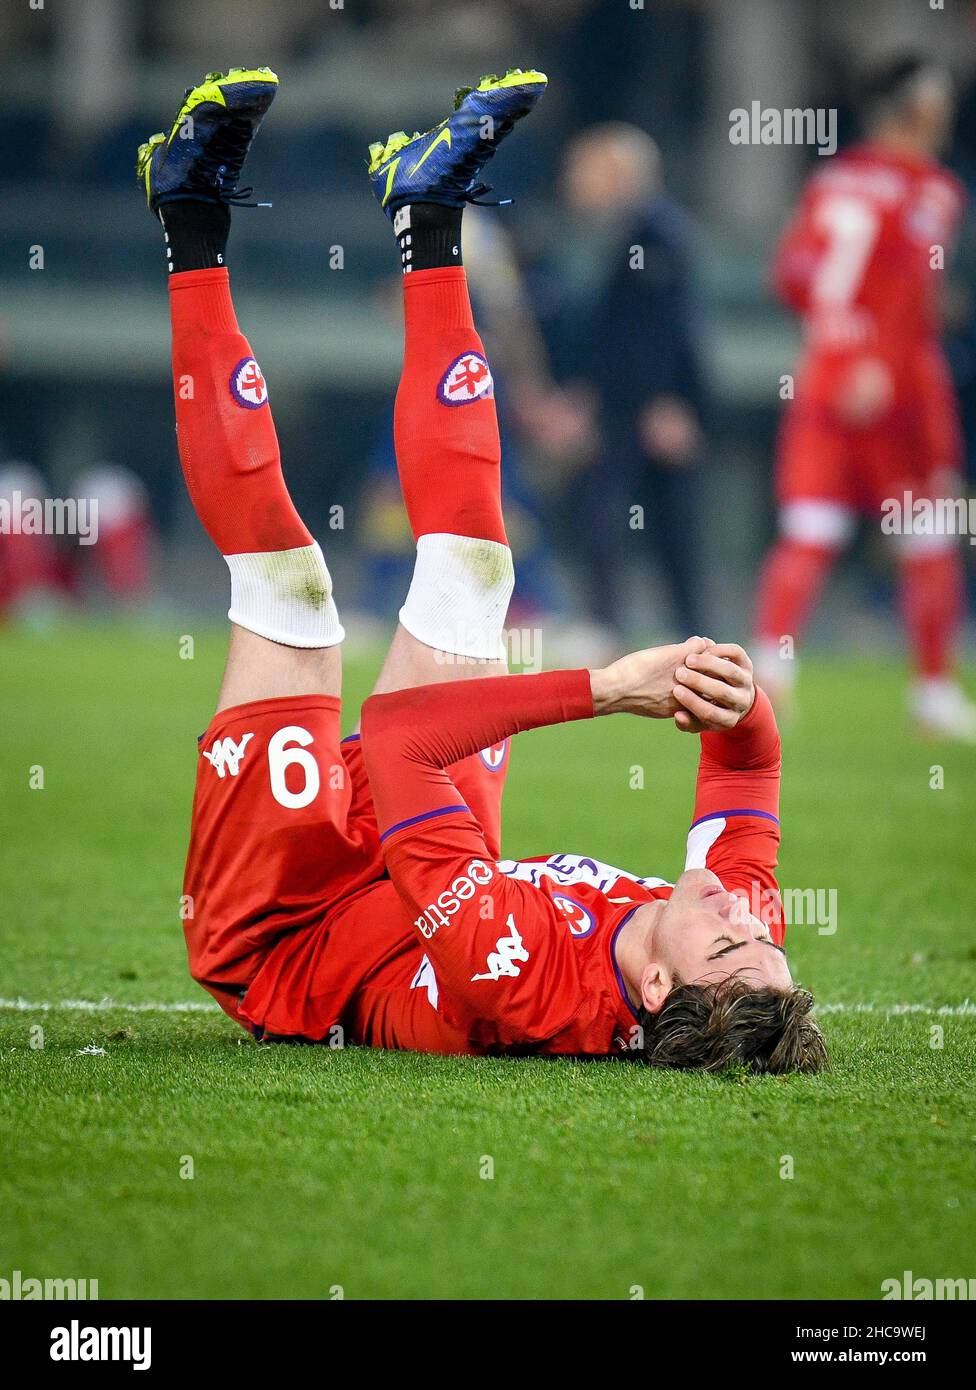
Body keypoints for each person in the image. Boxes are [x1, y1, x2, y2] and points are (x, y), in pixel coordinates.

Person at [138, 66, 826, 1073]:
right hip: (413, 861)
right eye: (768, 938)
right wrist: (734, 692)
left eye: (731, 940)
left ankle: (188, 214)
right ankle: (431, 211)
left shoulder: (516, 977)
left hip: (284, 926)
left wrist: (610, 687)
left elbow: (400, 741)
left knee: (293, 591)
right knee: (475, 569)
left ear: (654, 989)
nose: (746, 916)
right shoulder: (731, 936)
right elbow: (749, 761)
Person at [753, 55, 974, 739]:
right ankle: (933, 693)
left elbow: (789, 275)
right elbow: (912, 283)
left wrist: (837, 334)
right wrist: (878, 357)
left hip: (824, 371)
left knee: (809, 530)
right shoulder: (930, 188)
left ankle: (769, 675)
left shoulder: (833, 178)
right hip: (898, 383)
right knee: (929, 536)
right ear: (921, 111)